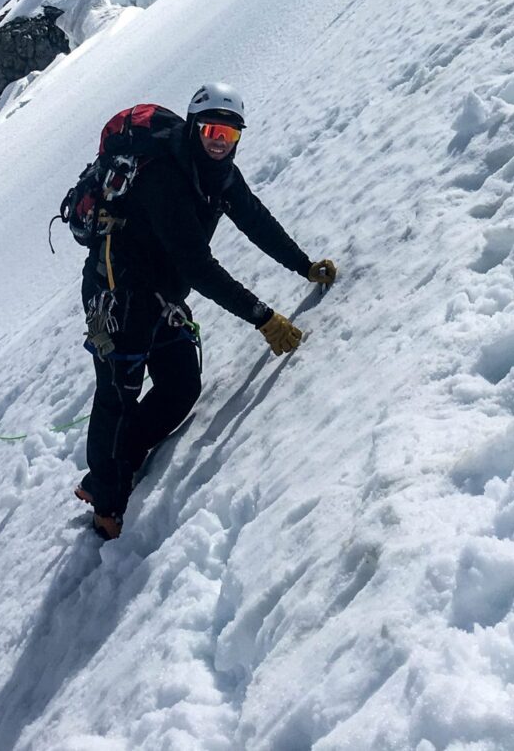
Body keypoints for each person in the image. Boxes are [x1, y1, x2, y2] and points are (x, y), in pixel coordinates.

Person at [76, 83, 338, 539]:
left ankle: (125, 460)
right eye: (212, 129)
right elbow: (198, 267)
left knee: (180, 386)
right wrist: (264, 317)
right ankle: (104, 501)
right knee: (117, 397)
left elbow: (255, 219)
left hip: (162, 295)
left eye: (229, 134)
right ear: (194, 127)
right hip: (119, 296)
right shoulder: (164, 178)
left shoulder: (220, 175)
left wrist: (303, 265)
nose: (219, 141)